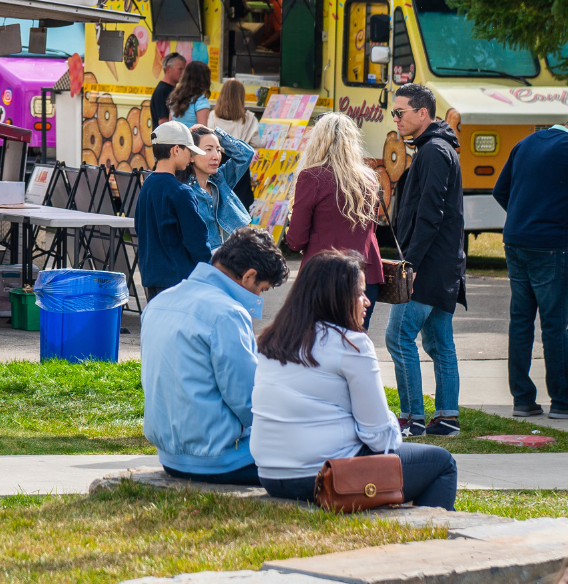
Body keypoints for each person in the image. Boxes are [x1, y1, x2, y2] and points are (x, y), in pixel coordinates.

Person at [252, 250, 458, 509]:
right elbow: (380, 439)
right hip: (326, 475)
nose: (367, 301)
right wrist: (393, 423)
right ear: (336, 298)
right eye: (360, 293)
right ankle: (430, 542)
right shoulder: (351, 345)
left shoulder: (273, 339)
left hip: (271, 474)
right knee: (443, 463)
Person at [142, 227, 289, 485]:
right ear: (248, 276)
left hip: (170, 457)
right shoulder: (227, 313)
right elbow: (248, 401)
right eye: (261, 290)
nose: (258, 298)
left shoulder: (160, 302)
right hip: (223, 459)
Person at [385, 83, 465, 438]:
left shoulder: (434, 150)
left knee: (398, 336)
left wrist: (410, 264)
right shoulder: (437, 147)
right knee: (438, 343)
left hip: (429, 265)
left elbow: (431, 214)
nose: (396, 119)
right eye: (394, 113)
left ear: (422, 113)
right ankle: (447, 417)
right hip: (444, 264)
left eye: (400, 113)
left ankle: (412, 418)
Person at [492, 121, 568, 418]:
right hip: (551, 245)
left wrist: (524, 215)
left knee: (520, 321)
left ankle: (522, 399)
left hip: (515, 241)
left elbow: (501, 191)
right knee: (554, 323)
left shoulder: (525, 144)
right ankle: (561, 401)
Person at [285, 112, 385, 328]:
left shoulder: (312, 177)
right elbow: (372, 228)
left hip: (323, 276)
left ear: (318, 141)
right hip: (366, 275)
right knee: (355, 346)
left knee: (320, 348)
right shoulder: (369, 178)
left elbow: (296, 240)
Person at [134, 122, 210, 302]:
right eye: (188, 150)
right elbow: (197, 240)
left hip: (151, 275)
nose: (191, 156)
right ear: (176, 149)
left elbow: (139, 226)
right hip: (178, 278)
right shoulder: (180, 192)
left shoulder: (147, 185)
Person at [182, 124, 254, 252]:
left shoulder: (219, 179)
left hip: (233, 254)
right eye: (208, 149)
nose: (216, 156)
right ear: (191, 156)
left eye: (218, 149)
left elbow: (246, 154)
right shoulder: (184, 192)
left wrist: (216, 133)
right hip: (205, 261)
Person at [209, 78, 262, 210]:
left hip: (218, 163)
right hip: (241, 167)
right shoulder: (249, 118)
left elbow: (208, 139)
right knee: (240, 206)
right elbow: (256, 143)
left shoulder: (213, 116)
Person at [167, 60, 212, 127]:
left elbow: (170, 121)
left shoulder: (175, 97)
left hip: (176, 136)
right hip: (192, 137)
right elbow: (202, 129)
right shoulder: (200, 100)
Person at [150, 53, 187, 126]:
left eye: (184, 69)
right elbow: (163, 121)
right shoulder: (162, 91)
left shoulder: (172, 89)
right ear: (168, 69)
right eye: (180, 69)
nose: (184, 73)